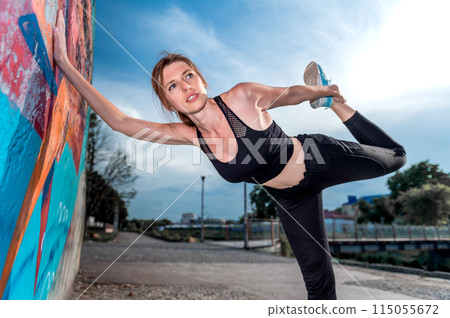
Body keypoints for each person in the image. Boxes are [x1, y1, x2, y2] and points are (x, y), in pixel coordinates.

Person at [53, 10, 406, 299]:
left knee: (396, 157)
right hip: (290, 200)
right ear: (168, 101)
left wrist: (322, 90)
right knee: (317, 282)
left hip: (317, 157)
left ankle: (337, 106)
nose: (185, 86)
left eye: (188, 75)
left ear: (202, 80)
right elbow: (121, 122)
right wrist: (67, 66)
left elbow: (290, 93)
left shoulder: (242, 96)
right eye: (172, 86)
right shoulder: (189, 136)